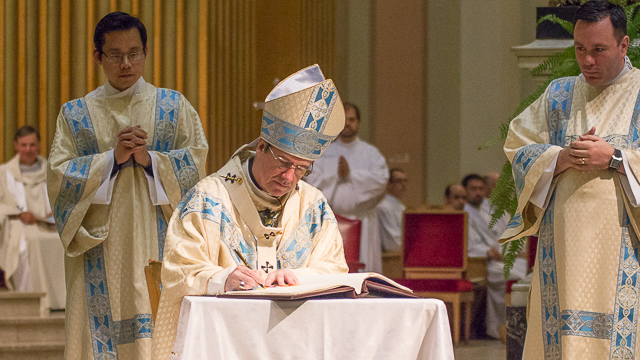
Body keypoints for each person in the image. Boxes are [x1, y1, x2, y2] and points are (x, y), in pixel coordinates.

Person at [152, 64, 348, 359]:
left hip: (296, 343)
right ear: (261, 146)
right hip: (223, 344)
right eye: (283, 162)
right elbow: (180, 268)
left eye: (302, 169)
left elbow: (335, 270)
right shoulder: (209, 198)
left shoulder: (314, 206)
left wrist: (298, 277)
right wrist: (223, 278)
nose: (289, 176)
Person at [47, 12, 208, 360]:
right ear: (97, 56)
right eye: (115, 54)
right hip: (99, 247)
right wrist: (111, 160)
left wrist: (152, 161)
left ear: (146, 52)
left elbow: (197, 167)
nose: (126, 63)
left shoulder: (173, 106)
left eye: (134, 53)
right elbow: (59, 178)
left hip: (160, 241)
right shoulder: (75, 115)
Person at [501, 1, 640, 358]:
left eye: (598, 50)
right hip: (561, 252)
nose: (587, 61)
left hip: (625, 253)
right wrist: (560, 157)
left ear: (624, 45)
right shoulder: (558, 96)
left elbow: (617, 158)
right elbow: (518, 146)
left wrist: (616, 158)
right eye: (580, 49)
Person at [304, 102, 389, 273]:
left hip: (363, 220)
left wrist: (351, 175)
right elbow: (311, 182)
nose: (347, 124)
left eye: (351, 119)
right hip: (331, 222)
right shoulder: (322, 153)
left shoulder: (371, 153)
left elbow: (381, 180)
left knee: (364, 272)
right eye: (343, 120)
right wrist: (337, 175)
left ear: (358, 122)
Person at [0, 126, 65, 312]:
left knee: (63, 242)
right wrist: (17, 213)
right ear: (16, 146)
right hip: (20, 223)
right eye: (24, 145)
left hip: (50, 223)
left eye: (32, 145)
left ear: (39, 145)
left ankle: (61, 301)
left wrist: (56, 210)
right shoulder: (4, 172)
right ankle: (36, 299)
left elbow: (64, 196)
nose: (28, 149)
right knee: (32, 241)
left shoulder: (52, 170)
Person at [463, 173, 526, 339]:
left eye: (480, 188)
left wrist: (514, 252)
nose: (478, 192)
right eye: (473, 189)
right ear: (465, 191)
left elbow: (510, 233)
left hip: (504, 257)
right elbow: (469, 244)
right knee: (511, 274)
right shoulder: (463, 213)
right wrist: (488, 252)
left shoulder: (494, 209)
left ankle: (520, 326)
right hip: (483, 263)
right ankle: (499, 327)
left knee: (527, 272)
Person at [376, 168, 407, 252]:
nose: (403, 185)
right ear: (388, 184)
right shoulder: (383, 208)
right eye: (399, 181)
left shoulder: (402, 208)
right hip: (391, 258)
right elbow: (391, 243)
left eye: (405, 181)